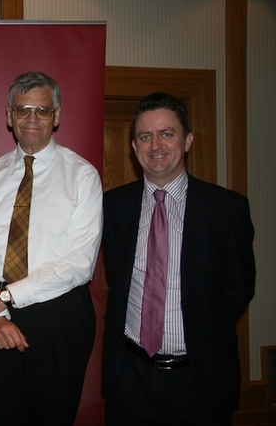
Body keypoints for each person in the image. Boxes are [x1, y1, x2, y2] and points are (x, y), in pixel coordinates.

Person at [102, 92, 256, 425]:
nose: (155, 145)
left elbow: (239, 288)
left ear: (187, 141)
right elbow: (118, 278)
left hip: (198, 379)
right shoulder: (114, 207)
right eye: (145, 136)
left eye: (166, 133)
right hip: (130, 377)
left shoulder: (227, 210)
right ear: (134, 147)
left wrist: (203, 328)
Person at [0, 71, 102, 425]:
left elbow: (80, 264)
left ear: (57, 116)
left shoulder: (82, 176)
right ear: (8, 116)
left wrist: (7, 297)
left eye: (41, 110)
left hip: (59, 315)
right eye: (22, 109)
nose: (31, 118)